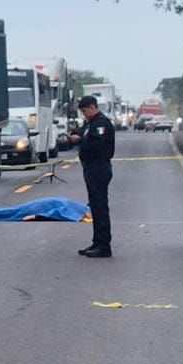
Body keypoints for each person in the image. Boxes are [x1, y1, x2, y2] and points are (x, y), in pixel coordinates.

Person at [68, 95, 115, 258]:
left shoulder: (101, 123)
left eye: (84, 110)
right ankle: (97, 241)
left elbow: (97, 144)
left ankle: (104, 245)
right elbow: (84, 134)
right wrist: (75, 135)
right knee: (94, 206)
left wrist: (80, 140)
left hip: (99, 167)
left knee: (100, 207)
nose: (84, 114)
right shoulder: (91, 123)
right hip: (91, 167)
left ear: (92, 107)